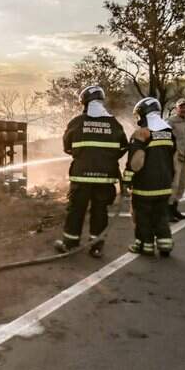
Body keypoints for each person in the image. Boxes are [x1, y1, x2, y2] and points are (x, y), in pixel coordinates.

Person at [54, 85, 128, 258]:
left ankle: (70, 244)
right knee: (100, 210)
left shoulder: (77, 122)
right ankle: (96, 247)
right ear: (101, 102)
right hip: (106, 177)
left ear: (85, 103)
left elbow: (67, 147)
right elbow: (123, 147)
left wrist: (84, 155)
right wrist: (107, 158)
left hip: (81, 177)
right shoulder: (114, 123)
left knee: (76, 210)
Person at [123, 97, 176, 256]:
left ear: (144, 114)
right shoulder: (168, 133)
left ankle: (145, 246)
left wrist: (126, 180)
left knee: (143, 217)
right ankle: (165, 245)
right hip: (165, 184)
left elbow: (135, 162)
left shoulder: (141, 134)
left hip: (145, 187)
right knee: (161, 216)